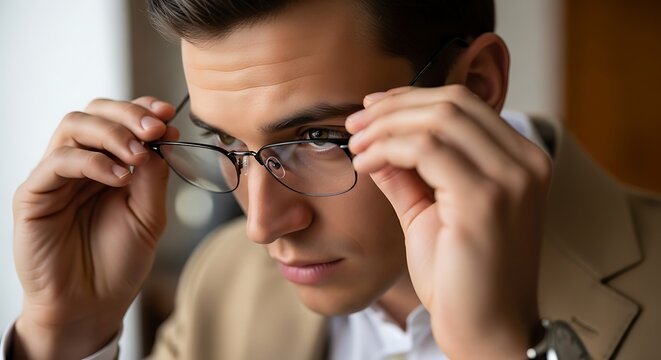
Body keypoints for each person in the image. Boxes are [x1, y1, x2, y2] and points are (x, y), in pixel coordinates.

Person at [4, 0, 660, 359]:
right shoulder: (224, 283)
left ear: (475, 87)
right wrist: (67, 330)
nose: (260, 225)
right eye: (227, 141)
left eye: (319, 138)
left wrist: (498, 353)